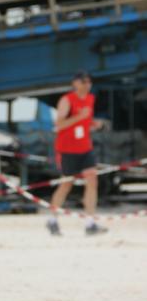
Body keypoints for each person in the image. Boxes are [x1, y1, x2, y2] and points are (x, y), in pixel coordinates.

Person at [46, 71, 107, 236]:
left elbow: (85, 121)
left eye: (89, 82)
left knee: (92, 181)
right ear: (75, 83)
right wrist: (80, 116)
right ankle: (52, 219)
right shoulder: (67, 100)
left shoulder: (90, 99)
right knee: (66, 184)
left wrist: (93, 123)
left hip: (85, 147)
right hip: (67, 149)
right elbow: (59, 125)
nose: (87, 85)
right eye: (84, 82)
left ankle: (90, 223)